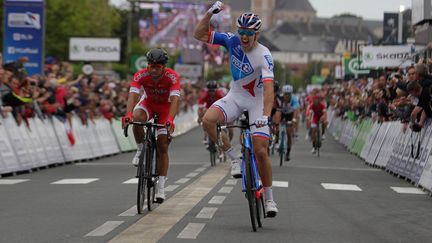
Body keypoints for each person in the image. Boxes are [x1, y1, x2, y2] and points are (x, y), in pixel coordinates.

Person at [193, 1, 278, 217]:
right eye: (241, 31)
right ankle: (233, 157)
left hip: (258, 102)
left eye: (249, 32)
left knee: (260, 150)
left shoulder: (264, 55)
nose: (244, 36)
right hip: (236, 96)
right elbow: (199, 34)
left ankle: (269, 199)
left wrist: (266, 116)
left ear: (256, 34)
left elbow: (269, 90)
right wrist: (210, 12)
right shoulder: (231, 41)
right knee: (208, 120)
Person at [122, 48, 180, 203]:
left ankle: (161, 188)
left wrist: (171, 120)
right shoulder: (140, 75)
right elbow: (133, 95)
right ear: (147, 65)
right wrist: (128, 114)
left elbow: (175, 100)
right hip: (148, 104)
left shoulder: (172, 77)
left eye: (157, 66)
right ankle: (141, 148)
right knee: (136, 117)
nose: (153, 69)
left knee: (162, 145)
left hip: (165, 109)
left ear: (163, 66)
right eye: (151, 66)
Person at [273, 85, 299, 161]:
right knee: (277, 124)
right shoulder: (280, 98)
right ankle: (277, 141)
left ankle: (288, 153)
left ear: (291, 94)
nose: (287, 96)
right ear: (283, 93)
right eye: (285, 94)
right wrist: (276, 121)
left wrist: (293, 119)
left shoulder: (294, 99)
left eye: (288, 94)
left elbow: (296, 111)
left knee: (289, 133)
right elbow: (276, 110)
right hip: (281, 113)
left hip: (290, 115)